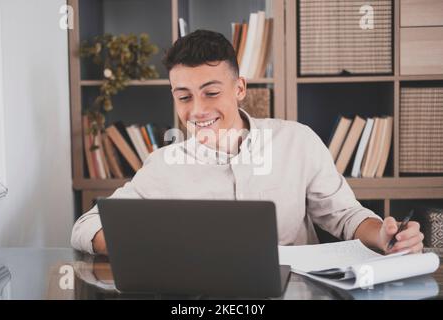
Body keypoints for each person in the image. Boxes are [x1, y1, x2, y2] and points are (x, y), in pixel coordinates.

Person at [71, 30, 424, 256]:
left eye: (211, 92)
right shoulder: (163, 163)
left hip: (295, 292)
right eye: (183, 97)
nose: (197, 110)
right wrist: (145, 244)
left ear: (240, 88)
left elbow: (346, 216)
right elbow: (85, 227)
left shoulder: (297, 141)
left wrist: (383, 235)